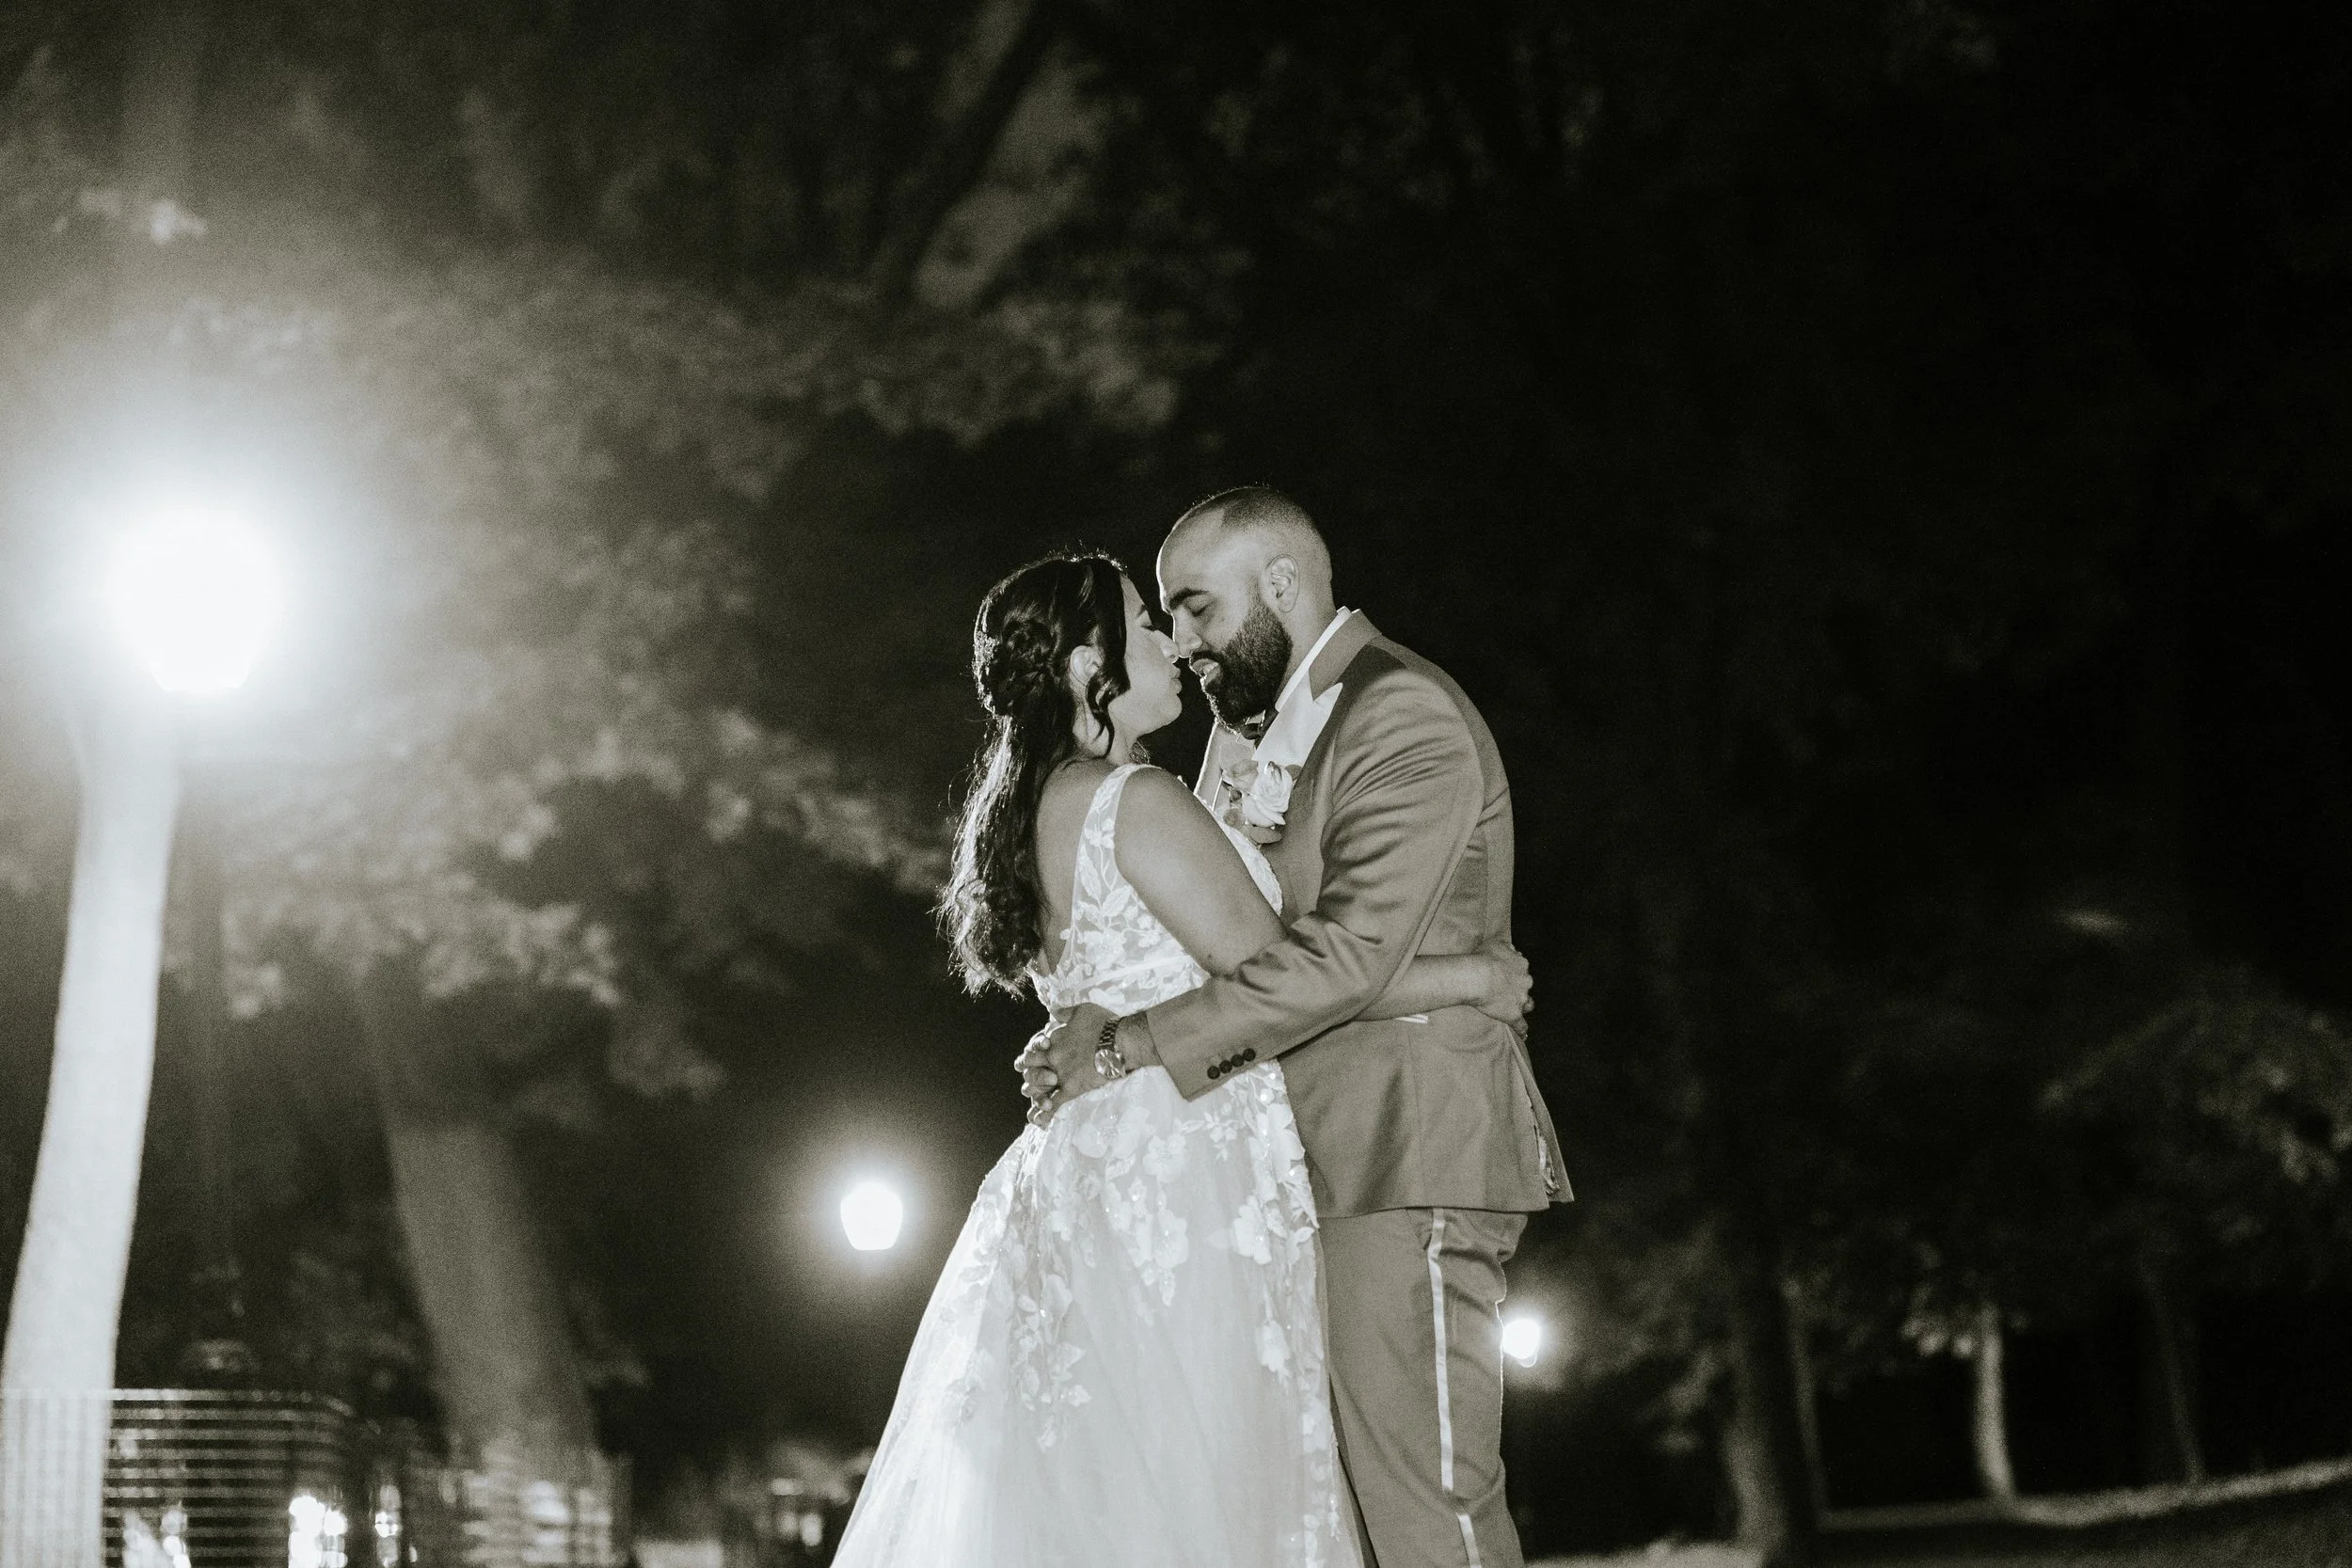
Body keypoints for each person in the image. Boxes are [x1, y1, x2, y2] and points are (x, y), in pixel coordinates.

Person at [830, 550, 1533, 1568]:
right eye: (1144, 624)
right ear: (1086, 664)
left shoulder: (1033, 807)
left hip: (1090, 1160)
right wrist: (1463, 978)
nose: (1171, 640)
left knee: (1114, 1484)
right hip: (1181, 1162)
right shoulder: (1134, 800)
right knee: (1205, 1478)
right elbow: (1282, 973)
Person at [1026, 488, 1568, 1568]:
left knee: (1422, 1499)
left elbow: (1337, 958)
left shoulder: (1400, 712)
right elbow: (1210, 932)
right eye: (1166, 617)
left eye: (1194, 607)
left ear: (1280, 584)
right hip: (1272, 1172)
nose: (1181, 641)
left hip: (1403, 1146)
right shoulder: (1232, 737)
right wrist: (1086, 1013)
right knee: (1324, 1517)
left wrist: (1135, 1040)